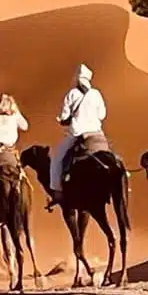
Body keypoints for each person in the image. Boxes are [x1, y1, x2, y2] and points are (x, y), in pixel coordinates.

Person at [48, 63, 107, 208]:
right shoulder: (96, 94)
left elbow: (64, 116)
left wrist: (63, 121)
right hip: (97, 132)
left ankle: (57, 190)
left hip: (78, 133)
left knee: (57, 158)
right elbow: (102, 115)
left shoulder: (72, 94)